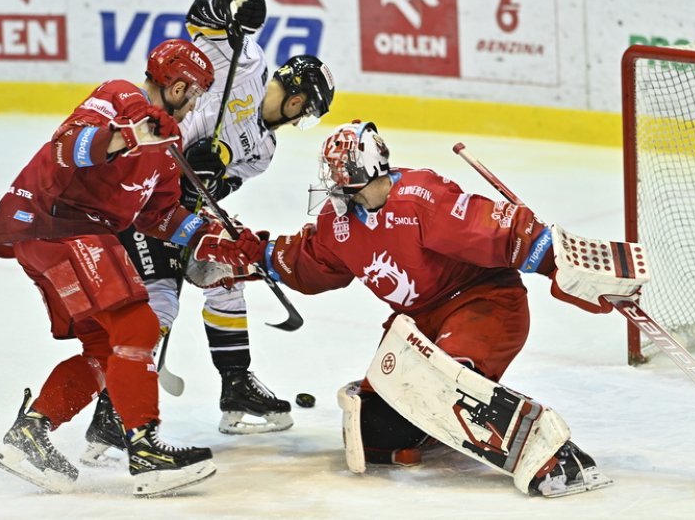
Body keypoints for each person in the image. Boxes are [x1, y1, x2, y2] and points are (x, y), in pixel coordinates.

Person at [226, 120, 645, 498]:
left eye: (344, 182)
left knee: (442, 385)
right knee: (375, 434)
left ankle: (556, 454)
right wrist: (252, 254)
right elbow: (309, 264)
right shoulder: (341, 224)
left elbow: (497, 232)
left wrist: (563, 265)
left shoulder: (422, 199)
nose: (336, 192)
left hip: (483, 304)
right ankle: (443, 424)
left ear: (369, 173)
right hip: (417, 325)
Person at [0, 38, 263, 496]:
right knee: (137, 324)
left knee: (104, 351)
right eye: (192, 95)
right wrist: (127, 135)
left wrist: (225, 245)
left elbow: (163, 218)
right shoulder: (120, 97)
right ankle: (146, 449)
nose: (194, 107)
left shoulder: (167, 151)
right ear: (174, 86)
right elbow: (67, 148)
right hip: (57, 221)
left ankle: (30, 434)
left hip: (61, 237)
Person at [81, 0, 336, 465]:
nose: (298, 119)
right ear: (300, 99)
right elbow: (202, 25)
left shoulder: (264, 152)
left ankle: (236, 385)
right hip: (136, 194)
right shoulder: (247, 65)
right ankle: (113, 412)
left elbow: (212, 191)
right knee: (159, 304)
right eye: (307, 112)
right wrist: (229, 7)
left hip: (173, 208)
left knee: (231, 272)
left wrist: (208, 175)